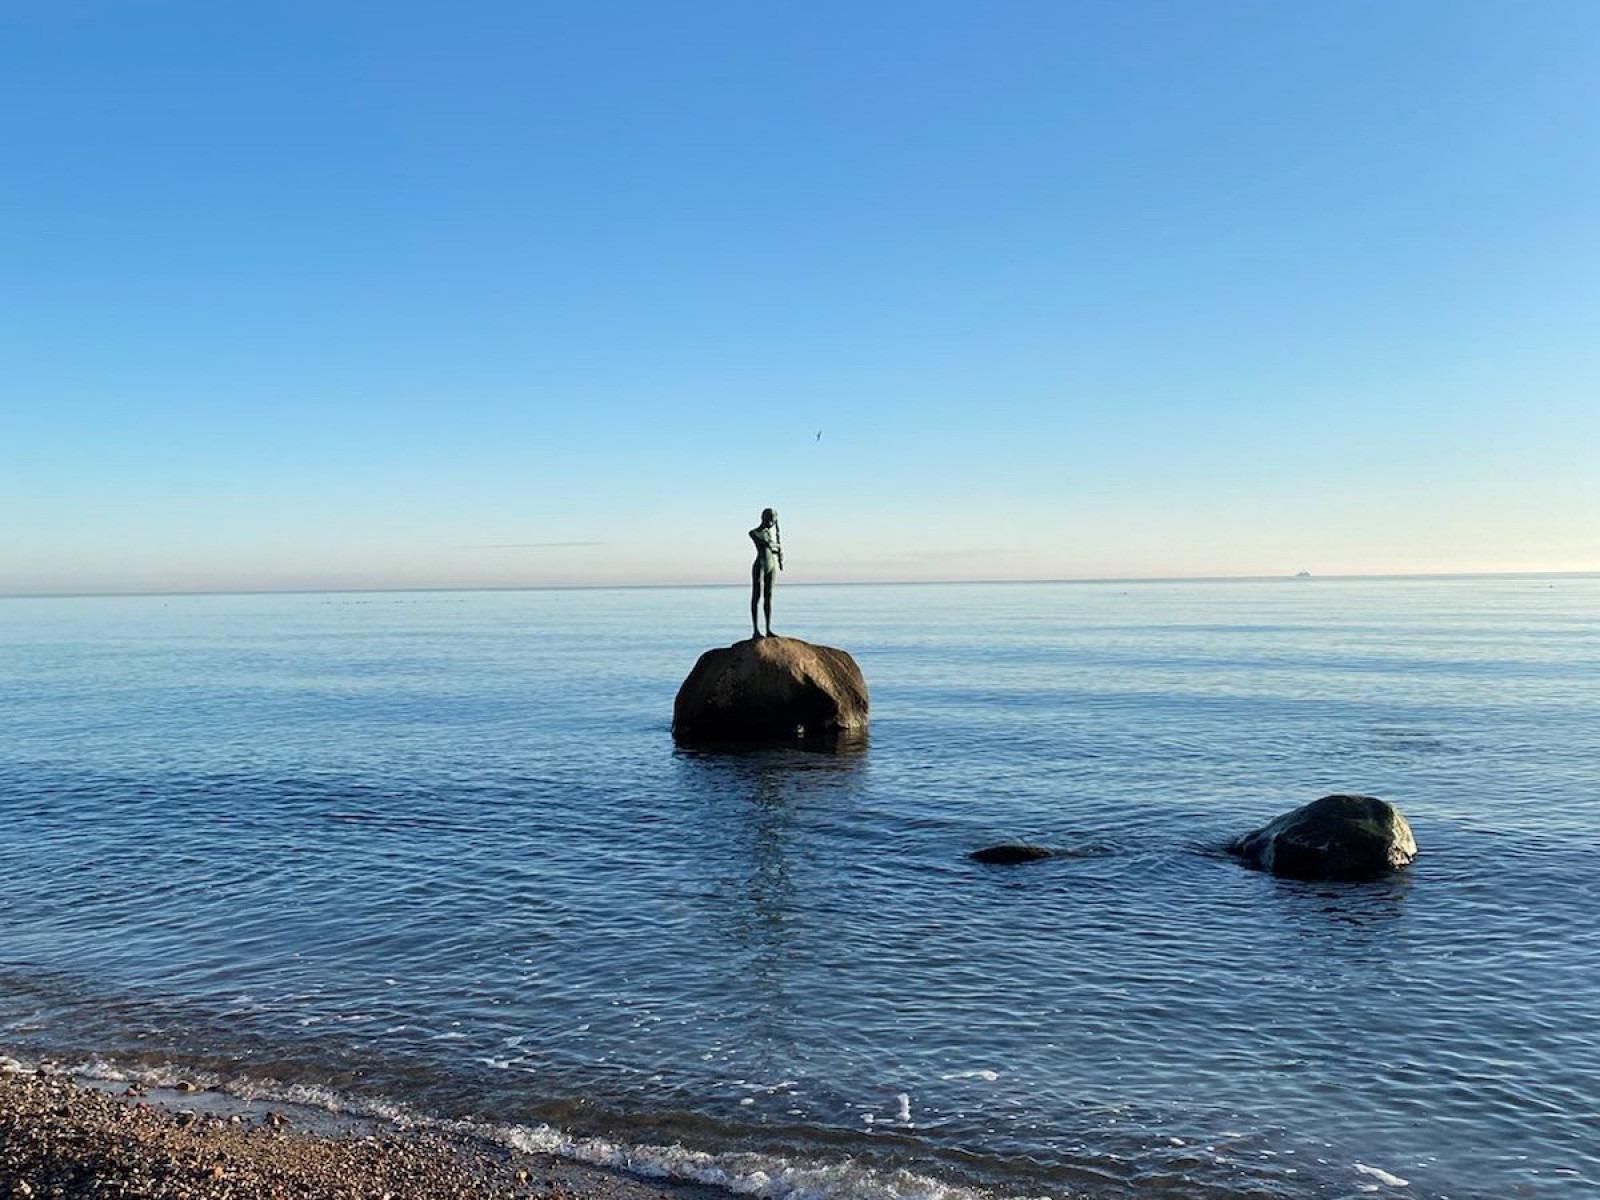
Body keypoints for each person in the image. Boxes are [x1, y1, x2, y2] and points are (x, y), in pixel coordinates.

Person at [749, 508, 783, 638]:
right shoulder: (754, 532)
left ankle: (768, 629)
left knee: (768, 597)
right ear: (764, 518)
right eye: (770, 520)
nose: (772, 523)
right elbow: (766, 544)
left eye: (774, 521)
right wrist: (777, 546)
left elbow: (771, 548)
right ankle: (756, 630)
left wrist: (778, 553)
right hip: (761, 566)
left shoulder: (769, 533)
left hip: (771, 566)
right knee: (756, 596)